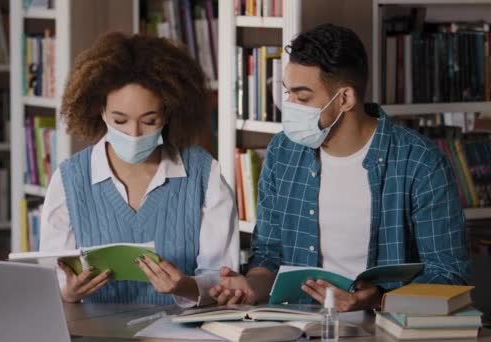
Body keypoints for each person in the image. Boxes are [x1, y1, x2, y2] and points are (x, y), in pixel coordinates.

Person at [210, 24, 470, 311]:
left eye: (303, 97)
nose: (291, 106)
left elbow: (448, 274)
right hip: (296, 325)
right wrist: (249, 286)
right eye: (288, 94)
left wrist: (375, 300)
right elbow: (268, 256)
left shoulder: (421, 162)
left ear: (345, 98)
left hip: (385, 329)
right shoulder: (282, 152)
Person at [39, 32, 239, 306]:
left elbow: (222, 282)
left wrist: (185, 286)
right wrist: (68, 292)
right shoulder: (70, 179)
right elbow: (50, 281)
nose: (134, 133)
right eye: (119, 120)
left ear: (168, 113)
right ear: (100, 110)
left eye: (149, 120)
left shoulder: (204, 176)